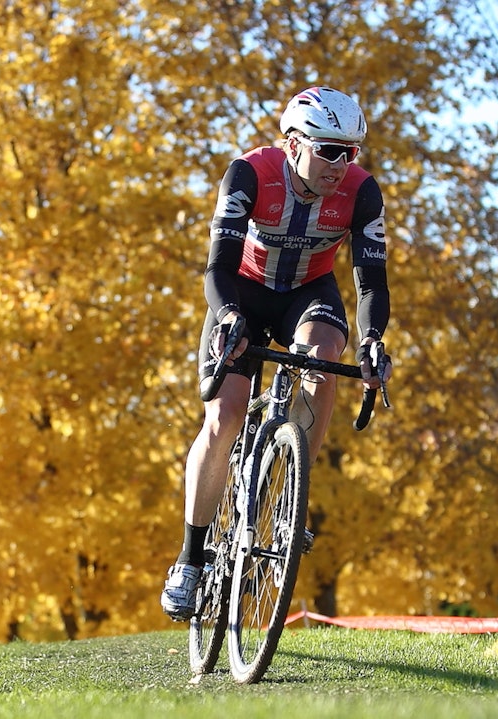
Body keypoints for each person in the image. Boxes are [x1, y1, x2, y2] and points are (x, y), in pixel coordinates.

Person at [161, 86, 392, 620]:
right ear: (293, 144)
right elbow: (217, 265)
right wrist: (226, 318)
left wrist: (373, 339)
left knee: (323, 358)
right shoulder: (249, 173)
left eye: (350, 151)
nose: (341, 163)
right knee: (224, 418)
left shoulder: (362, 192)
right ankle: (192, 559)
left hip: (308, 294)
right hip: (241, 291)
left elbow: (371, 282)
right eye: (328, 150)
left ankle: (291, 496)